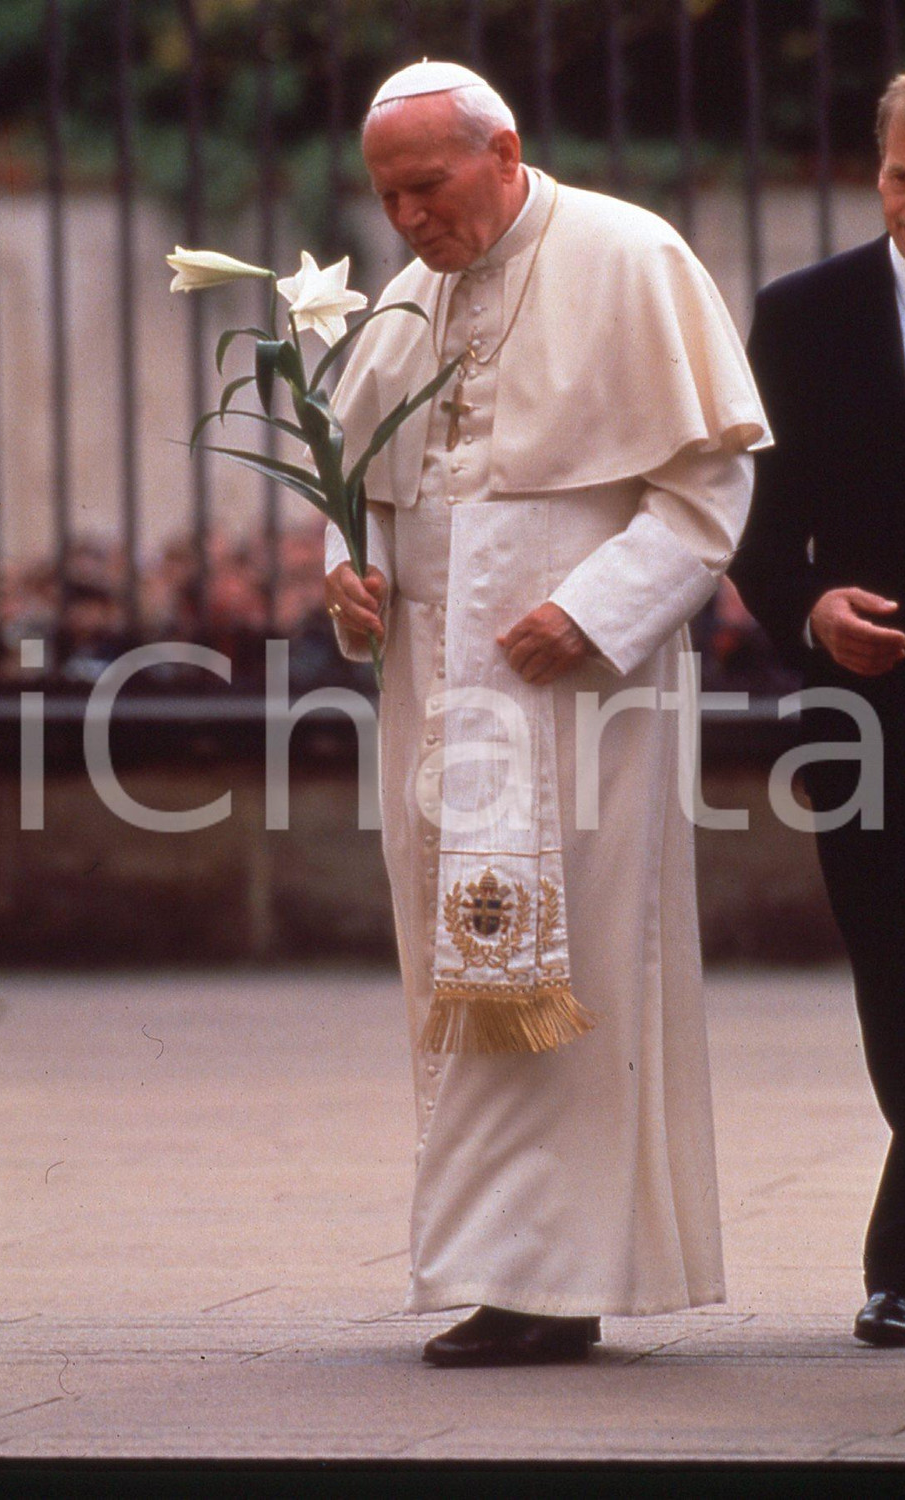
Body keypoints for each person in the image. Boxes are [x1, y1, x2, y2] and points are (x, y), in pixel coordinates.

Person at [324, 60, 770, 1366]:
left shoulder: (632, 256)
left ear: (503, 149)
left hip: (582, 701)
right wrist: (348, 577)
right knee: (459, 977)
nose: (408, 219)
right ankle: (490, 1262)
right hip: (443, 705)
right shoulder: (408, 302)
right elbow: (367, 495)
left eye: (429, 184)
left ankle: (556, 1276)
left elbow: (704, 491)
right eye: (388, 195)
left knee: (573, 976)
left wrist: (599, 607)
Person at [728, 71, 905, 1348]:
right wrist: (810, 610)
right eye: (903, 175)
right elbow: (749, 527)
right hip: (869, 720)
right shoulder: (802, 316)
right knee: (902, 986)